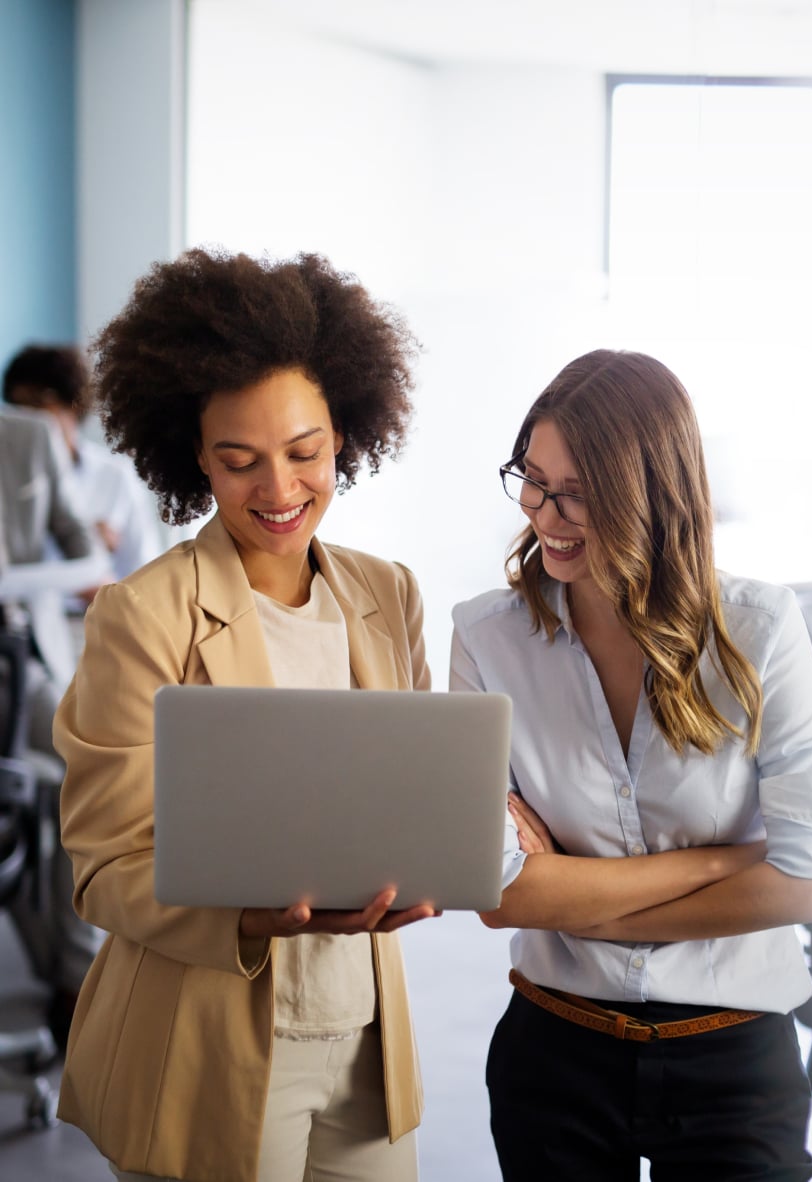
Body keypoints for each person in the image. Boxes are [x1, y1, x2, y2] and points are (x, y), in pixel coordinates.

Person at [52, 247, 438, 1182]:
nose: (278, 491)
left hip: (365, 1040)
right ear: (193, 457)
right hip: (204, 1040)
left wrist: (430, 863)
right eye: (239, 461)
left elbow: (413, 792)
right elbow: (104, 865)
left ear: (344, 433)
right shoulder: (143, 617)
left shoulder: (388, 596)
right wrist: (248, 918)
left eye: (304, 453)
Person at [451, 349, 812, 1181]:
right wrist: (718, 864)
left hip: (732, 1060)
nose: (544, 514)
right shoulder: (487, 640)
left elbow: (806, 885)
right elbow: (500, 893)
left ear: (652, 494)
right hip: (552, 1058)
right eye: (531, 479)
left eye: (578, 492)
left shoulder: (762, 630)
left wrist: (576, 900)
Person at [0, 390, 111, 1048]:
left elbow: (89, 556)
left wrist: (27, 579)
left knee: (91, 768)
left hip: (16, 658)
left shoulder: (31, 437)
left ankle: (77, 980)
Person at [4, 343, 163, 586]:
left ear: (73, 404)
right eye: (19, 408)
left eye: (39, 404)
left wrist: (98, 557)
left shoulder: (116, 476)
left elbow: (146, 567)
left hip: (104, 609)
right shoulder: (10, 472)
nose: (30, 418)